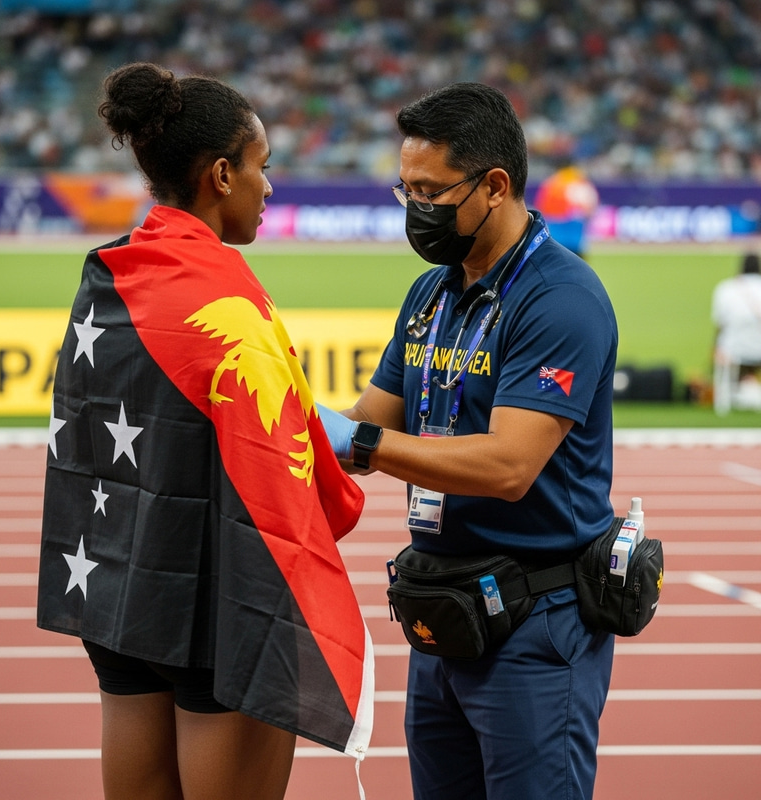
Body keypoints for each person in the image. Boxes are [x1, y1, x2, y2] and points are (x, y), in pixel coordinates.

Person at [37, 62, 373, 800]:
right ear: (222, 174)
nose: (269, 187)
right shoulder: (228, 303)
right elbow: (282, 463)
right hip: (219, 599)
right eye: (264, 167)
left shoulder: (108, 277)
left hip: (120, 583)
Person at [318, 82, 618, 799]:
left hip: (535, 627)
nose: (415, 209)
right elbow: (370, 420)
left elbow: (510, 465)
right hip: (442, 615)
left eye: (430, 191)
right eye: (405, 190)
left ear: (494, 186)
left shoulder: (560, 297)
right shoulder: (431, 294)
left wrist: (359, 442)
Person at [711, 251, 761, 414]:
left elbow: (720, 324)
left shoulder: (726, 289)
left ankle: (723, 404)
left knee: (723, 345)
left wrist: (714, 347)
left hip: (733, 349)